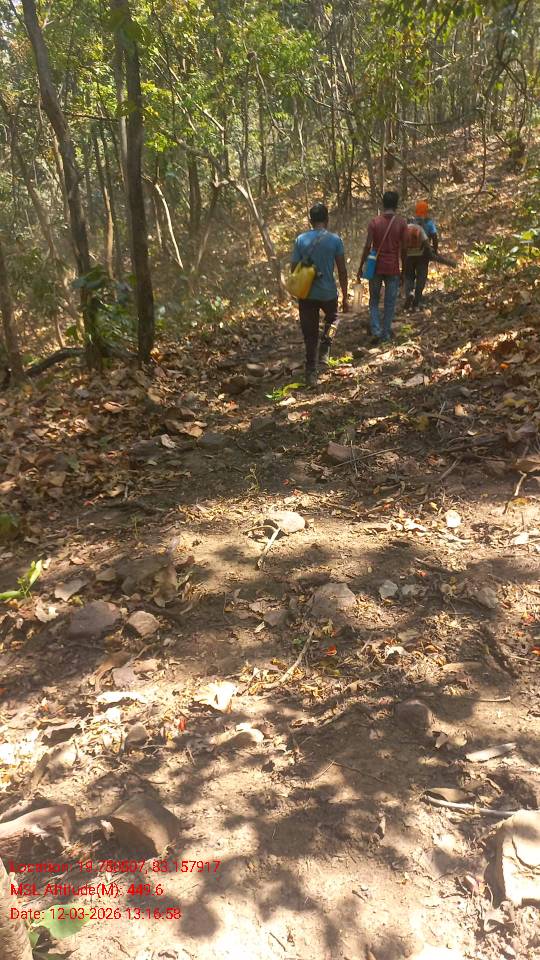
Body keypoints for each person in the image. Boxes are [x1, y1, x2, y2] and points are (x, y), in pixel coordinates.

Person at [290, 202, 348, 388]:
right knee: (334, 320)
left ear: (310, 221)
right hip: (328, 293)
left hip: (307, 293)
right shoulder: (335, 240)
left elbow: (294, 268)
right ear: (327, 219)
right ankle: (326, 345)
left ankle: (311, 372)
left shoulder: (300, 240)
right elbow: (342, 270)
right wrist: (345, 295)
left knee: (310, 335)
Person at [357, 190, 407, 343]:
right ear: (396, 205)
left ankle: (376, 329)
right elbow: (404, 249)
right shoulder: (401, 223)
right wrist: (404, 270)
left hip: (375, 267)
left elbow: (367, 246)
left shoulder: (374, 222)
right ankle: (385, 333)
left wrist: (361, 266)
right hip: (392, 267)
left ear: (383, 204)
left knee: (374, 300)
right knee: (389, 302)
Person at [403, 200, 439, 310]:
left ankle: (409, 293)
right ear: (426, 211)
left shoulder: (411, 223)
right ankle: (416, 301)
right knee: (421, 277)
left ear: (416, 211)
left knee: (409, 276)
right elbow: (434, 237)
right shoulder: (429, 223)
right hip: (423, 255)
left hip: (409, 254)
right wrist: (434, 251)